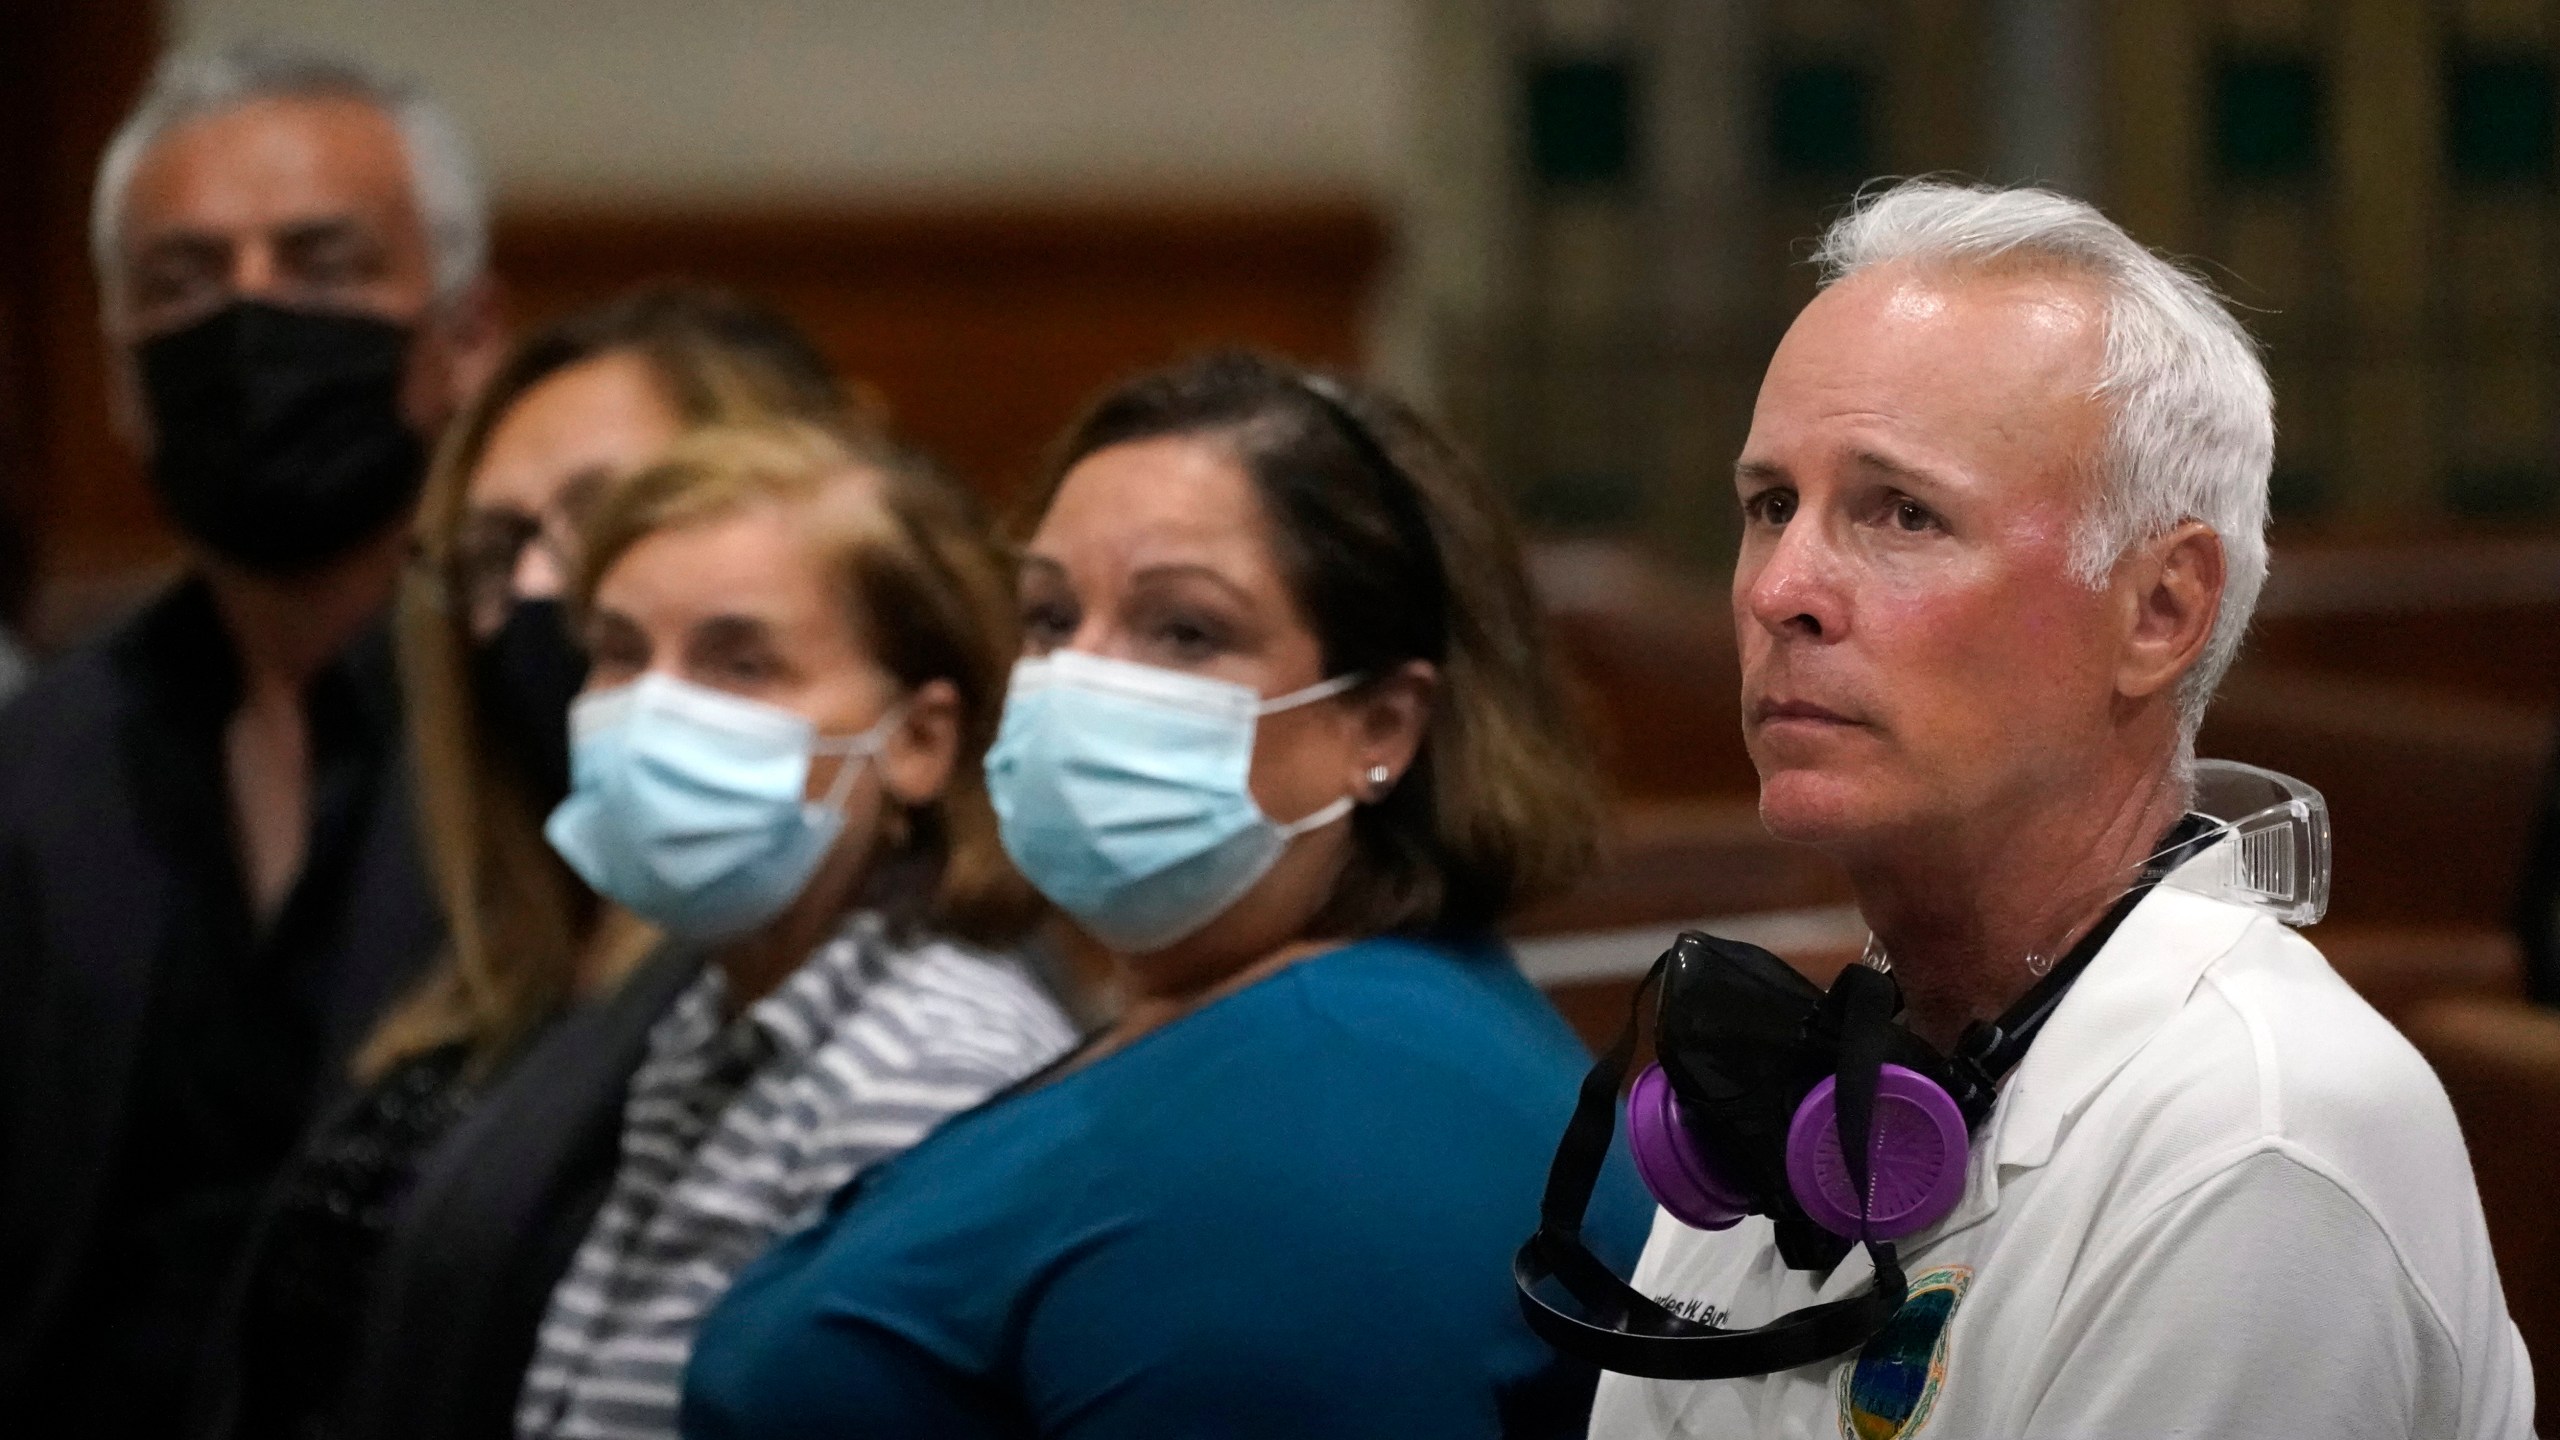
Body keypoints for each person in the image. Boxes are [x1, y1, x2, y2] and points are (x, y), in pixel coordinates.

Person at [1574, 182, 2532, 1437]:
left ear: (2159, 612)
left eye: (1900, 512)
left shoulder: (2263, 1138)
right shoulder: (1803, 1087)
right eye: (1769, 507)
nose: (1781, 590)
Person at [681, 351, 1656, 1440]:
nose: (1078, 680)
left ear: (1378, 726)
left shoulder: (1325, 1116)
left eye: (1185, 631)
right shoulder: (1244, 1018)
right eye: (1050, 618)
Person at [188, 288, 871, 1440]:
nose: (547, 591)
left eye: (604, 524)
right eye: (500, 549)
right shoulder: (481, 954)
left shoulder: (799, 977)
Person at [0, 41, 501, 1438]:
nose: (251, 316)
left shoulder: (567, 744)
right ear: (120, 378)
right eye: (184, 281)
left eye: (324, 263)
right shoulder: (40, 764)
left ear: (464, 338)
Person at [515, 421, 1076, 1440]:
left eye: (740, 665)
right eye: (619, 653)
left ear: (915, 740)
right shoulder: (717, 1015)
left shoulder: (934, 1067)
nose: (650, 714)